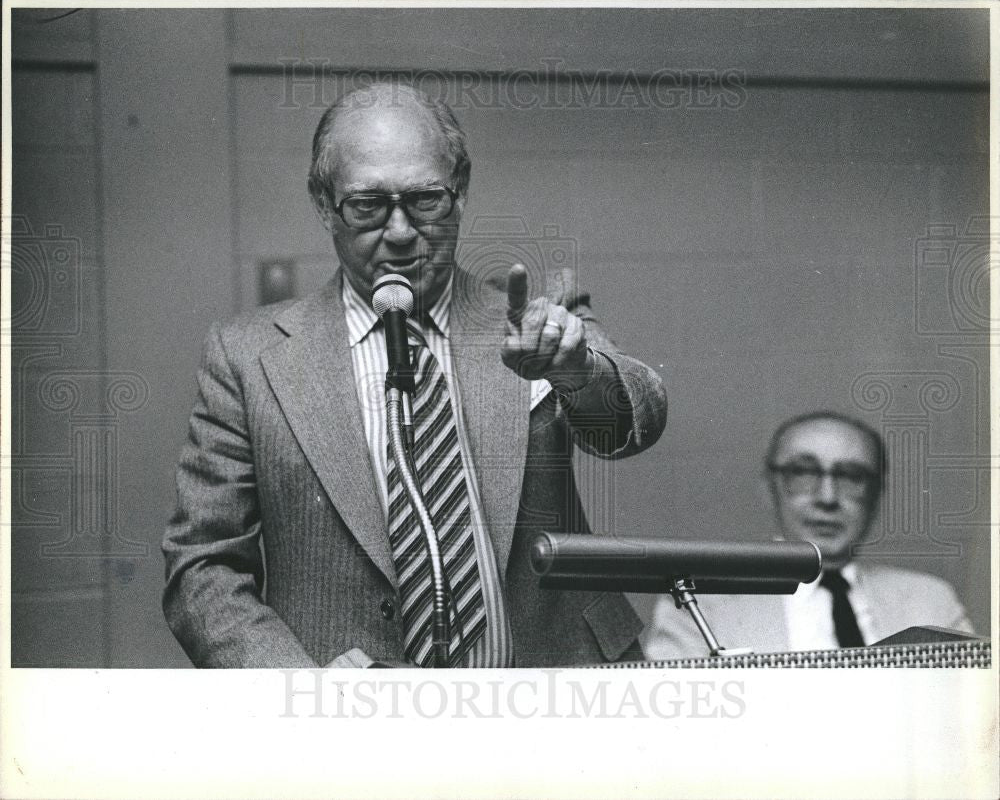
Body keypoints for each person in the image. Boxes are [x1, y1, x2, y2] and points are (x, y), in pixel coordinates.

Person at [161, 82, 667, 668]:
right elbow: (204, 563)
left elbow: (637, 422)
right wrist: (299, 685)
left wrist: (578, 371)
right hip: (353, 721)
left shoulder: (534, 314)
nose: (401, 232)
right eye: (368, 206)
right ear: (324, 203)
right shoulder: (247, 357)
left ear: (462, 188)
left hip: (555, 690)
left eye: (426, 200)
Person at [641, 411, 973, 660]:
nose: (827, 497)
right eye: (803, 472)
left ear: (876, 495)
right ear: (770, 489)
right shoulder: (700, 602)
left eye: (851, 476)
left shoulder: (931, 601)